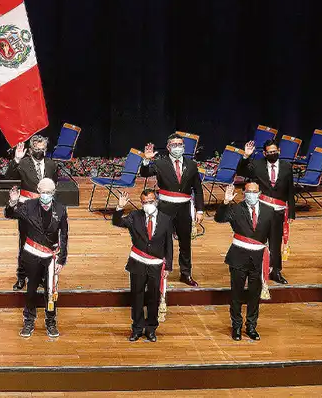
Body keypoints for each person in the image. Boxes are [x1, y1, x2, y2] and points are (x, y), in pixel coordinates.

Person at [4, 177, 67, 338]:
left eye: (49, 192)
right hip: (32, 254)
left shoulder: (60, 209)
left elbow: (64, 235)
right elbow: (10, 214)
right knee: (31, 290)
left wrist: (61, 259)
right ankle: (29, 321)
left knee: (51, 290)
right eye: (43, 191)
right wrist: (12, 202)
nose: (46, 194)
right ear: (38, 191)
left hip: (50, 257)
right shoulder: (28, 206)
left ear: (54, 192)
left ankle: (51, 322)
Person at [139, 133, 204, 286]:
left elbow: (198, 189)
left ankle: (185, 273)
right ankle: (163, 270)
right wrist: (147, 160)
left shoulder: (192, 165)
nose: (177, 147)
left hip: (184, 208)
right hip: (165, 207)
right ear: (168, 147)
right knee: (164, 241)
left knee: (185, 242)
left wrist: (200, 210)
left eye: (180, 144)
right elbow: (145, 173)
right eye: (174, 145)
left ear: (184, 147)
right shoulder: (160, 163)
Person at [215, 181, 275, 341]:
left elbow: (273, 239)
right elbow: (219, 218)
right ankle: (236, 326)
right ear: (244, 193)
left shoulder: (269, 211)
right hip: (238, 258)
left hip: (258, 259)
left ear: (260, 193)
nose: (252, 194)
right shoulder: (235, 209)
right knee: (236, 294)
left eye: (255, 192)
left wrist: (273, 262)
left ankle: (251, 327)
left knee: (254, 295)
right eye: (249, 191)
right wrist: (225, 202)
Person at [112, 189, 173, 342]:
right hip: (138, 262)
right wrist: (119, 208)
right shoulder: (134, 216)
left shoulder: (166, 219)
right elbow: (117, 222)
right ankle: (137, 328)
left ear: (156, 201)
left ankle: (151, 328)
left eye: (150, 202)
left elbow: (169, 245)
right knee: (137, 296)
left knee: (153, 297)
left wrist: (169, 266)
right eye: (144, 202)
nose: (147, 205)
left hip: (156, 265)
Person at [237, 139, 295, 284]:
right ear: (264, 153)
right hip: (261, 209)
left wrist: (292, 212)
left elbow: (290, 190)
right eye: (269, 152)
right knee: (258, 239)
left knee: (275, 242)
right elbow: (241, 171)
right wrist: (246, 156)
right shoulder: (257, 165)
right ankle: (254, 268)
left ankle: (275, 271)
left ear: (279, 151)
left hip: (279, 211)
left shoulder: (287, 167)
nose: (272, 154)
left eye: (275, 151)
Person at [4, 135, 58, 291]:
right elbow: (9, 177)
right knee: (25, 243)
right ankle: (21, 277)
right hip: (26, 209)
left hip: (46, 209)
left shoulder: (51, 165)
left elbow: (54, 186)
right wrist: (16, 160)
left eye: (42, 149)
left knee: (44, 243)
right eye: (36, 149)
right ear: (31, 149)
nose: (39, 152)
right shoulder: (23, 163)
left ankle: (40, 276)